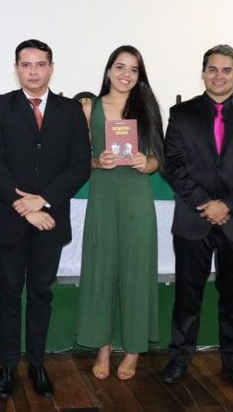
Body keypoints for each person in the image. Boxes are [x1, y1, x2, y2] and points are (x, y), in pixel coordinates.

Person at [0, 39, 90, 399]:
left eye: (40, 64)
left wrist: (42, 201)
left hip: (50, 221)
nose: (33, 71)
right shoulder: (0, 107)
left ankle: (37, 363)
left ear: (51, 68)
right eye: (25, 64)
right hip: (10, 220)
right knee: (9, 294)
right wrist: (23, 205)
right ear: (16, 69)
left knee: (41, 294)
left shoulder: (70, 110)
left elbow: (79, 166)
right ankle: (8, 365)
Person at [160, 44, 233, 394]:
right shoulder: (181, 113)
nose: (219, 75)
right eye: (212, 69)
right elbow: (173, 164)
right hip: (193, 218)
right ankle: (180, 357)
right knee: (187, 294)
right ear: (203, 73)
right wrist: (205, 203)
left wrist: (227, 205)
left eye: (226, 70)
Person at [75, 45, 163, 381]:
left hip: (137, 200)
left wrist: (146, 163)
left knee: (137, 271)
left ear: (140, 75)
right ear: (109, 69)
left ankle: (134, 350)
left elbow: (158, 159)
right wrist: (97, 161)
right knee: (101, 271)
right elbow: (75, 159)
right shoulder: (90, 108)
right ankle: (103, 347)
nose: (126, 74)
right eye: (120, 67)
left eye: (133, 69)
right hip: (103, 199)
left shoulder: (147, 108)